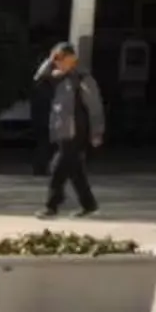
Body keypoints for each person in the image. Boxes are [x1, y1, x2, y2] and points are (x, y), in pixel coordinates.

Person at [36, 46, 104, 218]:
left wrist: (97, 131)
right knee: (75, 170)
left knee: (58, 168)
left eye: (61, 59)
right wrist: (50, 60)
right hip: (62, 129)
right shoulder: (59, 78)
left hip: (76, 130)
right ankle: (89, 204)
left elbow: (95, 107)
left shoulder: (82, 78)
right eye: (56, 60)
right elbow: (39, 77)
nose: (57, 63)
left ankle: (52, 205)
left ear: (72, 59)